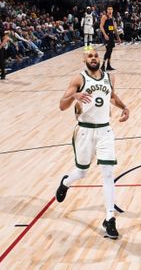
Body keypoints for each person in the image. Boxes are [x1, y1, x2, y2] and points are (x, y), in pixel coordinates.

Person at [55, 47, 130, 238]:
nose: (94, 58)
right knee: (81, 172)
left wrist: (124, 107)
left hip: (105, 130)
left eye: (96, 55)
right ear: (84, 59)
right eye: (90, 55)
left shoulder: (109, 77)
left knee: (107, 173)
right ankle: (66, 182)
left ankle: (110, 218)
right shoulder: (78, 79)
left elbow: (111, 97)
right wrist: (74, 96)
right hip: (85, 131)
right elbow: (62, 106)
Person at [99, 6, 120, 71]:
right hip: (106, 35)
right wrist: (105, 34)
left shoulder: (112, 18)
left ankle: (108, 65)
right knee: (108, 50)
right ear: (107, 10)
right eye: (109, 9)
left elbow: (114, 28)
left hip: (111, 35)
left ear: (113, 10)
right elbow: (101, 26)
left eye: (111, 9)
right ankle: (103, 65)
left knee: (110, 50)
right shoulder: (104, 17)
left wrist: (118, 37)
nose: (110, 10)